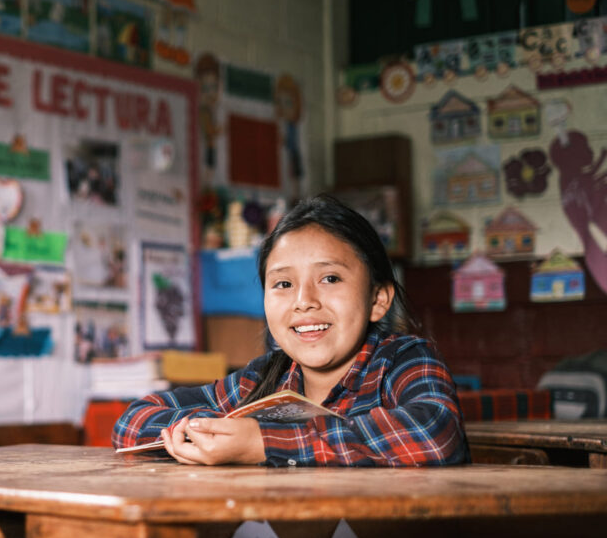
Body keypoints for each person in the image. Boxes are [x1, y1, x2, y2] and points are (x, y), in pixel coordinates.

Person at [113, 195, 469, 467]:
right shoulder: (264, 379)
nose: (304, 301)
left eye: (329, 278)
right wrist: (212, 432)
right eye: (283, 283)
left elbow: (434, 432)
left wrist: (261, 442)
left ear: (378, 299)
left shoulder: (402, 360)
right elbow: (132, 422)